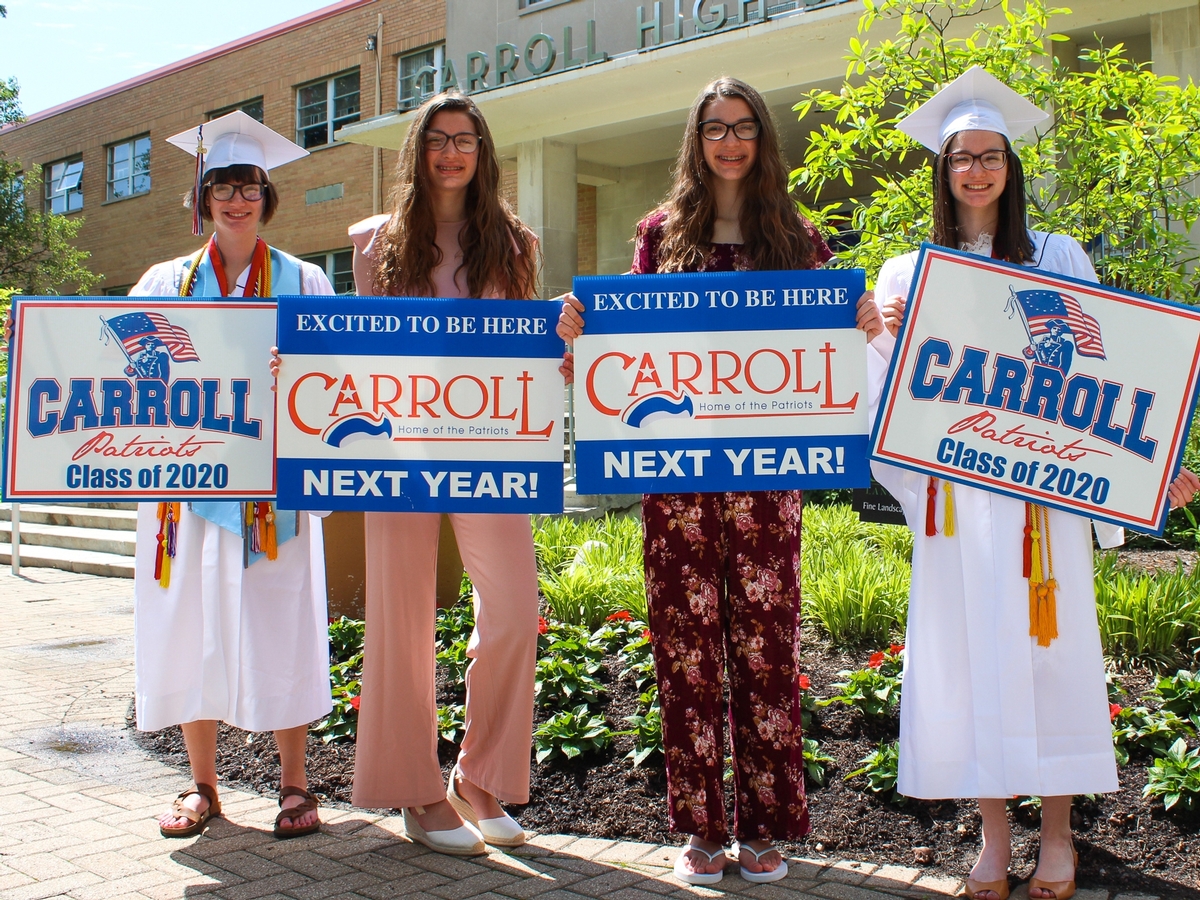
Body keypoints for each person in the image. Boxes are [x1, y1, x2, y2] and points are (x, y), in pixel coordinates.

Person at [864, 67, 1200, 900]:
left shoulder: (1056, 257)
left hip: (1037, 499)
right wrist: (879, 332)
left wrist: (1150, 471)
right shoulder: (909, 272)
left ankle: (1058, 836)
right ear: (941, 172)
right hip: (953, 501)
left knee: (1052, 660)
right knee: (971, 656)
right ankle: (992, 834)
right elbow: (883, 396)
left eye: (990, 156)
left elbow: (1105, 372)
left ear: (1010, 168)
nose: (975, 171)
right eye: (960, 158)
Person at [558, 77, 883, 885]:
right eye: (714, 129)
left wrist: (863, 321)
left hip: (768, 484)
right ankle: (701, 830)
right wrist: (581, 325)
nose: (729, 142)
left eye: (742, 128)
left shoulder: (800, 240)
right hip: (678, 478)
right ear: (696, 142)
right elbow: (628, 347)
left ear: (762, 140)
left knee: (766, 651)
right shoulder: (658, 234)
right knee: (686, 650)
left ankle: (766, 827)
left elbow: (827, 358)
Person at [344, 90, 540, 857]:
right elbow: (357, 351)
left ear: (483, 153)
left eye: (466, 139)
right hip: (395, 452)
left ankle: (480, 775)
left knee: (516, 609)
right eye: (438, 139)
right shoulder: (373, 244)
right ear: (417, 152)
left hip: (489, 449)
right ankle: (414, 792)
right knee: (400, 620)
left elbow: (525, 352)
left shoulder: (515, 245)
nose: (452, 152)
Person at [131, 112, 334, 839]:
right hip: (186, 493)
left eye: (248, 184)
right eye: (222, 184)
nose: (236, 198)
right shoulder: (164, 281)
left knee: (281, 625)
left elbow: (332, 378)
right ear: (203, 196)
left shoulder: (305, 281)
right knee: (192, 627)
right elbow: (120, 372)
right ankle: (202, 787)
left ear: (266, 194)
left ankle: (294, 785)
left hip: (272, 495)